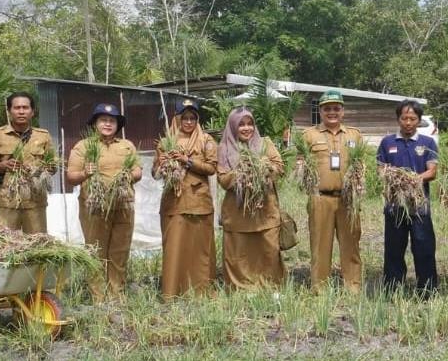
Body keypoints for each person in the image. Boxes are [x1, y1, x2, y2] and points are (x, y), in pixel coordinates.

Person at [66, 103, 142, 300]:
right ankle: (98, 296)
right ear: (95, 123)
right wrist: (85, 173)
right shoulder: (83, 147)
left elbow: (138, 171)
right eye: (103, 120)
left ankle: (116, 294)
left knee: (120, 250)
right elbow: (71, 176)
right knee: (96, 251)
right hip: (94, 208)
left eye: (112, 120)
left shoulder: (127, 146)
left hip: (122, 206)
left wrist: (129, 176)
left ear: (118, 125)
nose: (108, 124)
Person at [298, 90, 366, 294]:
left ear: (343, 111)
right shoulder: (309, 135)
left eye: (336, 108)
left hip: (348, 199)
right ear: (320, 111)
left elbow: (361, 164)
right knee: (320, 245)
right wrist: (302, 173)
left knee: (351, 244)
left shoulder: (354, 134)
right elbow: (301, 162)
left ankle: (353, 286)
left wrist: (359, 181)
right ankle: (320, 288)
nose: (332, 112)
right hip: (320, 198)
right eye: (327, 108)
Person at [153, 98, 218, 298]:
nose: (189, 122)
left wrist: (188, 161)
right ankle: (173, 292)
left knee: (200, 249)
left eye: (193, 118)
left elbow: (212, 168)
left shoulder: (206, 140)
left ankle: (201, 291)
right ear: (177, 119)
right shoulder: (166, 142)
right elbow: (155, 173)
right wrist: (163, 164)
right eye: (185, 118)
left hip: (199, 202)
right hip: (174, 203)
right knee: (174, 247)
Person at [217, 107, 286, 289]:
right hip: (237, 212)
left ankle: (270, 286)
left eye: (250, 124)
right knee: (239, 253)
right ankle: (241, 288)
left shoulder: (265, 144)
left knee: (268, 248)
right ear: (233, 127)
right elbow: (223, 179)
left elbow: (280, 167)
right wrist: (241, 173)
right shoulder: (224, 148)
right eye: (241, 125)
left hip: (265, 209)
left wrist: (263, 167)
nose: (247, 128)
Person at [377, 99, 439, 296]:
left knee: (424, 248)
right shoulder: (387, 142)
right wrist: (392, 177)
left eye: (413, 118)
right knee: (394, 249)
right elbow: (380, 169)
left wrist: (413, 179)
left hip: (419, 206)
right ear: (398, 119)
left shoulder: (427, 143)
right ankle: (393, 290)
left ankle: (427, 291)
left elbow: (433, 171)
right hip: (395, 206)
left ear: (419, 121)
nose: (408, 122)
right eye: (404, 118)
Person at [0, 92, 57, 234]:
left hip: (35, 202)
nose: (21, 111)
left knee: (37, 245)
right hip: (7, 202)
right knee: (4, 246)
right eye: (17, 108)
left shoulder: (43, 136)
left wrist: (42, 169)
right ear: (9, 111)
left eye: (25, 107)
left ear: (32, 112)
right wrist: (3, 165)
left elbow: (53, 166)